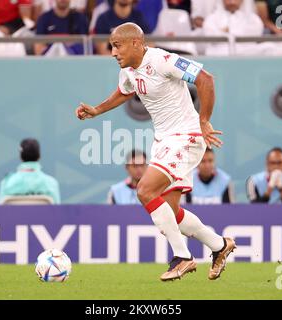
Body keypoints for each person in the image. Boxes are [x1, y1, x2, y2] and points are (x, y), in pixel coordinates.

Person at [75, 23, 236, 282]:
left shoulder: (162, 60)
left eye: (117, 45)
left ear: (137, 43)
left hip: (186, 136)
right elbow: (124, 92)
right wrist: (97, 110)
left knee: (145, 190)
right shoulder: (127, 70)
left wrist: (204, 120)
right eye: (111, 46)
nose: (113, 52)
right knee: (170, 214)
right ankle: (219, 246)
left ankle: (182, 257)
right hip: (163, 141)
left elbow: (205, 78)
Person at [0, 138, 60, 204]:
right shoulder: (51, 183)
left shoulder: (7, 183)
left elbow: (0, 212)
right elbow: (57, 213)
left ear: (20, 157)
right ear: (39, 156)